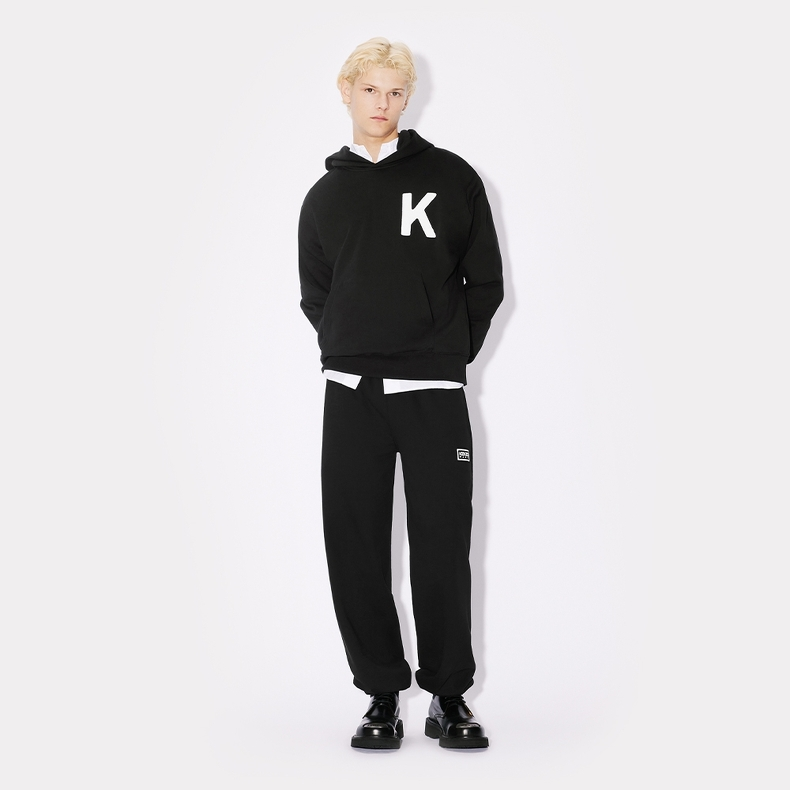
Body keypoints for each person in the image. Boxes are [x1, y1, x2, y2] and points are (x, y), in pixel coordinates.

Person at [298, 37, 503, 750]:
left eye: (395, 92)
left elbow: (485, 282)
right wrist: (352, 346)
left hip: (431, 391)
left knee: (442, 544)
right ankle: (380, 694)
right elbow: (316, 294)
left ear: (408, 97)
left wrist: (441, 353)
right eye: (370, 90)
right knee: (354, 543)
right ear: (346, 92)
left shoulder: (452, 177)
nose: (382, 104)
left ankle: (449, 695)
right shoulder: (325, 195)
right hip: (351, 393)